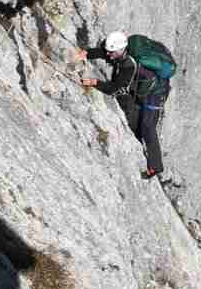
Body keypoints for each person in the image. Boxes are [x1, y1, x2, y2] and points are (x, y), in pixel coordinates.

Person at [72, 31, 169, 179]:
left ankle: (155, 166)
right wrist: (85, 53)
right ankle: (137, 139)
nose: (109, 55)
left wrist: (94, 82)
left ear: (120, 50)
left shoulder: (129, 65)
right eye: (109, 52)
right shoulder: (119, 52)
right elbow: (103, 52)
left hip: (155, 94)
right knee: (135, 118)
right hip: (139, 88)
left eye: (112, 53)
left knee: (148, 127)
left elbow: (113, 88)